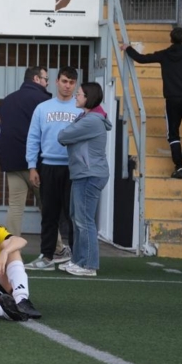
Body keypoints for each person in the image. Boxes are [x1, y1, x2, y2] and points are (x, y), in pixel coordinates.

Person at [124, 28, 182, 179]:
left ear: (171, 39)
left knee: (173, 134)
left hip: (172, 99)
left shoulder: (165, 54)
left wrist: (128, 48)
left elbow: (141, 58)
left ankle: (179, 168)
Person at [25, 66, 81, 271]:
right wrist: (32, 166)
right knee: (49, 214)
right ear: (57, 81)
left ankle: (77, 258)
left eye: (72, 82)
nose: (68, 86)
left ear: (76, 85)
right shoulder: (43, 108)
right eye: (64, 81)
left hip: (73, 169)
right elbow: (33, 138)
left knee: (73, 215)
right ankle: (47, 256)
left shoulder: (80, 108)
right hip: (48, 166)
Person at [56, 83, 111, 277]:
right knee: (77, 218)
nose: (75, 96)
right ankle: (78, 260)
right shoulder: (87, 117)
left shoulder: (91, 121)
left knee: (84, 220)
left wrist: (70, 135)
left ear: (88, 97)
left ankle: (88, 265)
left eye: (78, 94)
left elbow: (62, 136)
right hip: (83, 174)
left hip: (89, 175)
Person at [0, 66, 52, 238]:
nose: (47, 83)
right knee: (47, 208)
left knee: (15, 207)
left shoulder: (7, 100)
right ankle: (56, 248)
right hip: (36, 164)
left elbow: (0, 129)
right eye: (45, 79)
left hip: (11, 162)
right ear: (36, 79)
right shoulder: (43, 100)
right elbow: (47, 132)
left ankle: (12, 249)